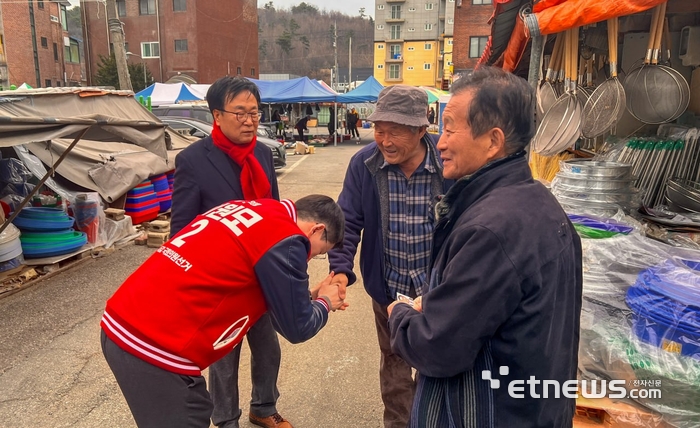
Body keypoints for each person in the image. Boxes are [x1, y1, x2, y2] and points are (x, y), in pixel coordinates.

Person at [388, 66, 583, 427]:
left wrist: (401, 315)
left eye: (448, 128)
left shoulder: (490, 230)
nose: (440, 142)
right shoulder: (540, 202)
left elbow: (437, 347)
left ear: (493, 141)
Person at [101, 195, 347, 428]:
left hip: (123, 322)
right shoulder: (289, 238)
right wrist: (326, 302)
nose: (311, 255)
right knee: (190, 416)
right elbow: (297, 328)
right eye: (319, 252)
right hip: (155, 347)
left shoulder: (251, 210)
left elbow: (243, 276)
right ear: (316, 229)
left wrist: (309, 297)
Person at [327, 85, 454, 428]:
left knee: (441, 363)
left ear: (420, 129)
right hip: (389, 288)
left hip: (440, 292)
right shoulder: (364, 164)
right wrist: (340, 270)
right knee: (395, 363)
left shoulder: (449, 162)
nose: (385, 141)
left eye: (395, 131)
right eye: (379, 130)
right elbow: (348, 220)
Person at [170, 76, 288, 428]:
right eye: (240, 112)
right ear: (216, 115)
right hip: (220, 279)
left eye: (254, 112)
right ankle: (226, 420)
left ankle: (263, 407)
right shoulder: (193, 160)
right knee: (224, 356)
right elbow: (182, 228)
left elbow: (275, 212)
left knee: (268, 349)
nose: (250, 120)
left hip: (262, 274)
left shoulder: (263, 155)